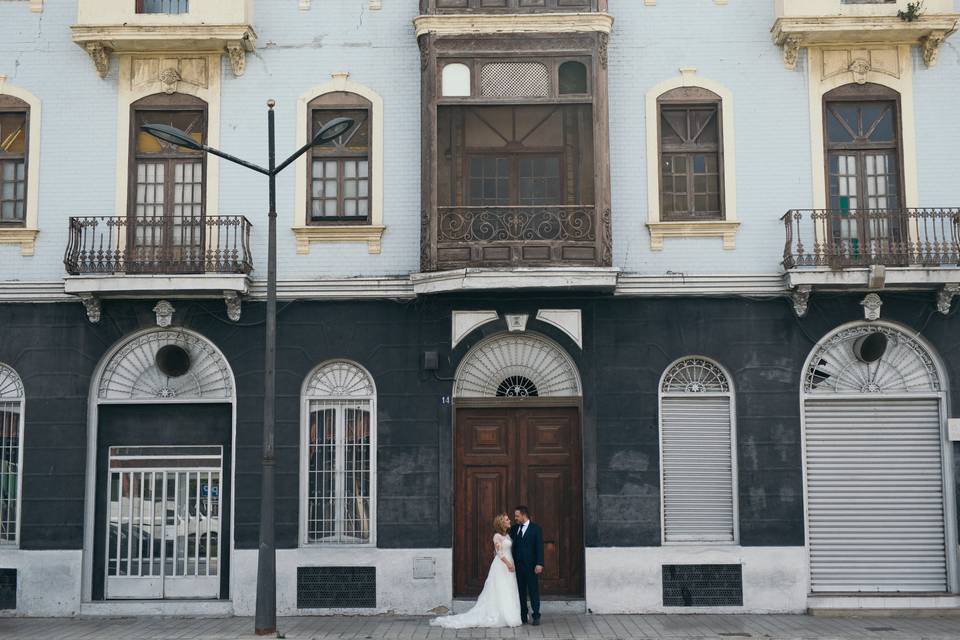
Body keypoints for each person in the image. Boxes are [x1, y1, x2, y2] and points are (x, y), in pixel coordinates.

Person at [430, 513, 522, 629]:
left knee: (509, 588)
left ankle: (510, 615)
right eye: (507, 519)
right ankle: (501, 616)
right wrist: (508, 564)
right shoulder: (497, 536)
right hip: (502, 565)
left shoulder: (507, 535)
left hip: (510, 564)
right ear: (501, 523)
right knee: (500, 588)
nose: (510, 521)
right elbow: (499, 553)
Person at [511, 505, 544, 625]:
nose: (515, 518)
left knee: (533, 590)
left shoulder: (536, 529)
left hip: (531, 567)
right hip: (517, 567)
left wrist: (539, 563)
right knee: (520, 591)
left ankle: (536, 615)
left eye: (517, 516)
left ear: (524, 515)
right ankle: (523, 615)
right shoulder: (514, 529)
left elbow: (539, 547)